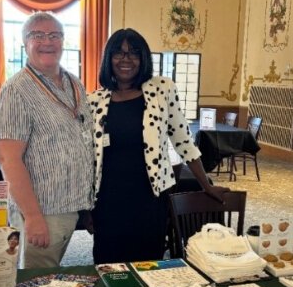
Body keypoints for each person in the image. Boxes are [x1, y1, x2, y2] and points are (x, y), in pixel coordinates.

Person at [87, 28, 229, 264]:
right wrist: (86, 209)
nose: (126, 60)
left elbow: (183, 140)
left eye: (134, 53)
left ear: (143, 59)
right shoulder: (94, 101)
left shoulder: (162, 90)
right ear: (108, 58)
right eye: (119, 53)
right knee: (108, 265)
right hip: (108, 200)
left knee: (148, 263)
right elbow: (87, 159)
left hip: (149, 197)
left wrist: (207, 185)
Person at [0, 12, 94, 270]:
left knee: (50, 273)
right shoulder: (16, 90)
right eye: (38, 35)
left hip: (70, 205)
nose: (47, 41)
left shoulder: (74, 83)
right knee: (37, 283)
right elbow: (7, 157)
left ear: (63, 41)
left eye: (54, 35)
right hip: (42, 210)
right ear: (25, 43)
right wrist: (33, 216)